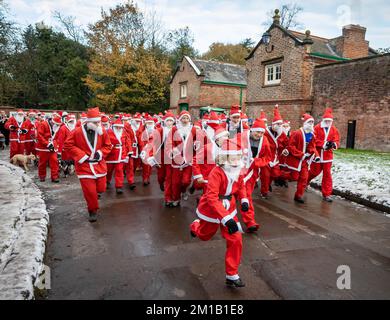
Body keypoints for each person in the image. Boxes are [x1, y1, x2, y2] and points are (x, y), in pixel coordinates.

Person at [190, 139, 249, 288]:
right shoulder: (216, 173)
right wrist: (225, 218)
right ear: (225, 158)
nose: (236, 161)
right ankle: (195, 225)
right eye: (233, 158)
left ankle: (232, 274)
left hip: (229, 208)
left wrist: (243, 200)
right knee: (204, 235)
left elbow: (241, 186)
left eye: (238, 157)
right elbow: (211, 197)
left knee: (236, 239)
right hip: (212, 209)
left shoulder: (238, 170)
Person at [63, 107, 112, 222]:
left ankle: (96, 195)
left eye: (98, 122)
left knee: (101, 188)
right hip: (84, 167)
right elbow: (67, 145)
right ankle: (92, 210)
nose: (98, 124)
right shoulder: (77, 132)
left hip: (99, 165)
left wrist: (100, 153)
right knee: (90, 192)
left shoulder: (102, 131)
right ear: (89, 122)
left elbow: (108, 146)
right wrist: (81, 155)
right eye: (95, 122)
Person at [240, 118, 272, 232]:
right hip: (237, 170)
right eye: (257, 132)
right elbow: (230, 149)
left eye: (262, 132)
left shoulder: (265, 141)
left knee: (247, 195)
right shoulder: (241, 136)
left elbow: (268, 157)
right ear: (252, 129)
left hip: (251, 172)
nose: (259, 134)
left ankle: (250, 222)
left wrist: (256, 162)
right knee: (230, 195)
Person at [284, 114, 320, 203]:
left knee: (304, 178)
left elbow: (312, 146)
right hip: (295, 160)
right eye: (309, 122)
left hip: (305, 161)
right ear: (305, 123)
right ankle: (278, 177)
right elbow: (291, 146)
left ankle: (298, 195)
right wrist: (301, 154)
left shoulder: (312, 135)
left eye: (312, 122)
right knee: (294, 177)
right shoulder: (297, 133)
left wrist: (313, 154)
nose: (311, 124)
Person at [165, 110, 197, 207]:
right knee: (175, 182)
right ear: (179, 119)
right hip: (176, 159)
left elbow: (198, 140)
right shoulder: (174, 129)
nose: (185, 120)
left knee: (186, 181)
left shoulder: (193, 129)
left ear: (189, 119)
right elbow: (169, 141)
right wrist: (172, 150)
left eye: (187, 118)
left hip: (188, 159)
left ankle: (183, 190)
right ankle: (176, 199)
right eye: (183, 118)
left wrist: (196, 144)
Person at [308, 108, 340, 202]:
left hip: (328, 156)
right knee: (314, 172)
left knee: (327, 174)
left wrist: (334, 144)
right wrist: (324, 143)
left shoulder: (334, 130)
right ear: (323, 120)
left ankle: (326, 194)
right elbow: (313, 140)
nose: (328, 122)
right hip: (317, 155)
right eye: (326, 121)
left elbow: (337, 140)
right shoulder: (317, 128)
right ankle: (304, 182)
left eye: (329, 121)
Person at [260, 105, 289, 198]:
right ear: (272, 124)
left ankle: (268, 184)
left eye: (280, 125)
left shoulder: (282, 134)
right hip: (266, 158)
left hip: (275, 159)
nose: (279, 126)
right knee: (265, 176)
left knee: (275, 174)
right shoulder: (265, 132)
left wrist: (286, 150)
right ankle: (264, 193)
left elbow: (287, 144)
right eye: (277, 124)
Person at [192, 125, 230, 194]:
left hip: (220, 178)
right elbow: (195, 160)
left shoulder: (227, 148)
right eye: (225, 136)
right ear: (218, 138)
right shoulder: (208, 148)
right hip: (208, 178)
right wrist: (199, 176)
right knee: (209, 197)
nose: (227, 138)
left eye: (228, 136)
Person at [106, 119, 132, 194]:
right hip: (111, 154)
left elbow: (127, 142)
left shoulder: (124, 132)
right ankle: (107, 181)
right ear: (113, 127)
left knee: (119, 170)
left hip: (121, 153)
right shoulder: (108, 132)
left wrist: (129, 151)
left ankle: (119, 186)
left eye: (119, 127)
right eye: (116, 127)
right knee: (109, 170)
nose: (118, 129)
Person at [36, 115, 62, 182]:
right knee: (42, 162)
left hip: (52, 147)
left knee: (54, 161)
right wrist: (47, 143)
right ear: (52, 122)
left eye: (58, 124)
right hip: (43, 147)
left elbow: (58, 137)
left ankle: (54, 177)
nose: (57, 126)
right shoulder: (43, 124)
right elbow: (39, 135)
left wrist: (54, 144)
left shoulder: (58, 127)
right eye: (56, 124)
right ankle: (42, 176)